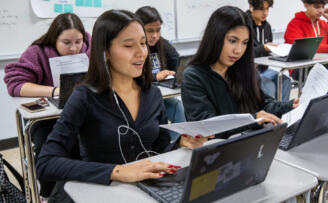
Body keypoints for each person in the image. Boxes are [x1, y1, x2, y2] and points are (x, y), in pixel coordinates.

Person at [36, 10, 207, 203]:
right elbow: (46, 163)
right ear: (105, 51)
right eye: (128, 45)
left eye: (143, 43)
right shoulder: (84, 96)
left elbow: (158, 145)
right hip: (99, 191)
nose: (141, 52)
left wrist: (180, 143)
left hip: (142, 190)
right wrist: (117, 171)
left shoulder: (152, 93)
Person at [3, 13, 91, 199]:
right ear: (54, 39)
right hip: (48, 118)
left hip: (82, 112)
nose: (74, 48)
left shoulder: (90, 47)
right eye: (66, 42)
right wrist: (54, 91)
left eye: (78, 41)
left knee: (92, 141)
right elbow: (15, 84)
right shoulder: (37, 52)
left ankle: (83, 190)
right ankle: (47, 194)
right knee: (49, 149)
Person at [181, 6, 299, 139]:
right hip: (218, 151)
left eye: (245, 43)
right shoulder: (194, 76)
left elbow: (262, 104)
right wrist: (253, 120)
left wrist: (290, 105)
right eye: (232, 41)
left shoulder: (241, 69)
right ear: (215, 38)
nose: (238, 50)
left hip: (248, 143)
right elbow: (208, 128)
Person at [135, 6, 186, 130]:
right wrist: (154, 77)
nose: (155, 35)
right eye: (150, 31)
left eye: (158, 30)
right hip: (139, 96)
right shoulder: (134, 48)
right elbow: (132, 77)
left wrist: (170, 76)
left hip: (159, 93)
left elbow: (176, 59)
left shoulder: (162, 44)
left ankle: (177, 142)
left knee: (178, 107)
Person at [247, 0, 292, 101]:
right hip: (248, 70)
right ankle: (270, 114)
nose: (265, 13)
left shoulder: (267, 27)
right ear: (251, 6)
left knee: (285, 81)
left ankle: (281, 112)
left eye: (267, 9)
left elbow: (267, 51)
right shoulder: (244, 24)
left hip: (264, 70)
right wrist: (263, 47)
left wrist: (279, 50)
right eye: (261, 9)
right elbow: (243, 52)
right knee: (269, 85)